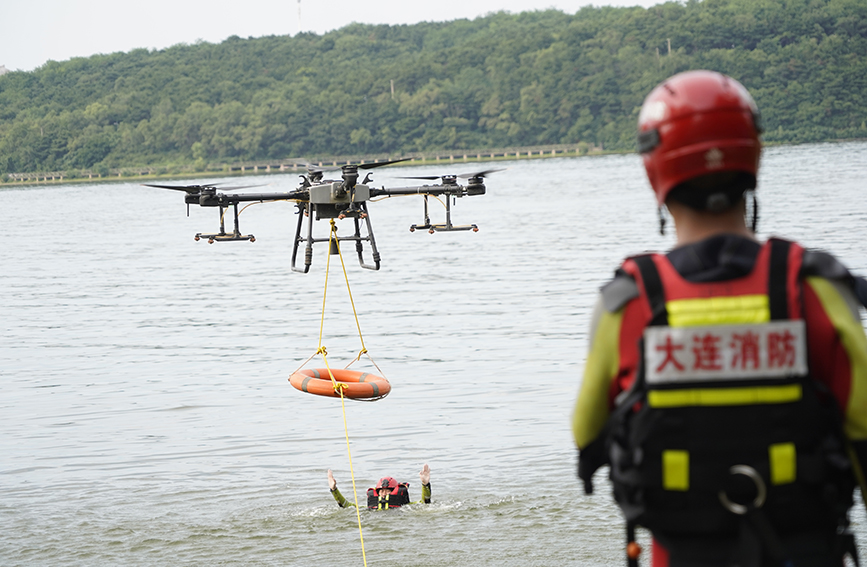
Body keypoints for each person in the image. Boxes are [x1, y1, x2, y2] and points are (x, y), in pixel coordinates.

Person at [572, 70, 867, 567]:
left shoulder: (625, 304)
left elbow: (586, 434)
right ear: (752, 156)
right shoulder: (816, 289)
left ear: (654, 171)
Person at [327, 464, 431, 510]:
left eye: (387, 491)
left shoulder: (407, 507)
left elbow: (424, 502)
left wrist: (425, 485)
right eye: (381, 491)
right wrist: (334, 490)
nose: (384, 493)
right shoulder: (370, 508)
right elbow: (346, 505)